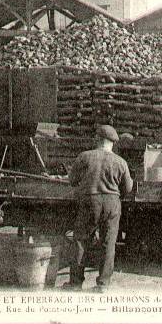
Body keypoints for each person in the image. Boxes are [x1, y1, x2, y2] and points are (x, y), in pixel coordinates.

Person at [64, 125, 133, 292]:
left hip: (89, 201)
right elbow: (128, 188)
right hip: (112, 203)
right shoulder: (121, 162)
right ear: (112, 143)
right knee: (108, 243)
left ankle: (75, 283)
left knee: (80, 241)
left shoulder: (84, 157)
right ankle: (103, 285)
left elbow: (72, 181)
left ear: (97, 139)